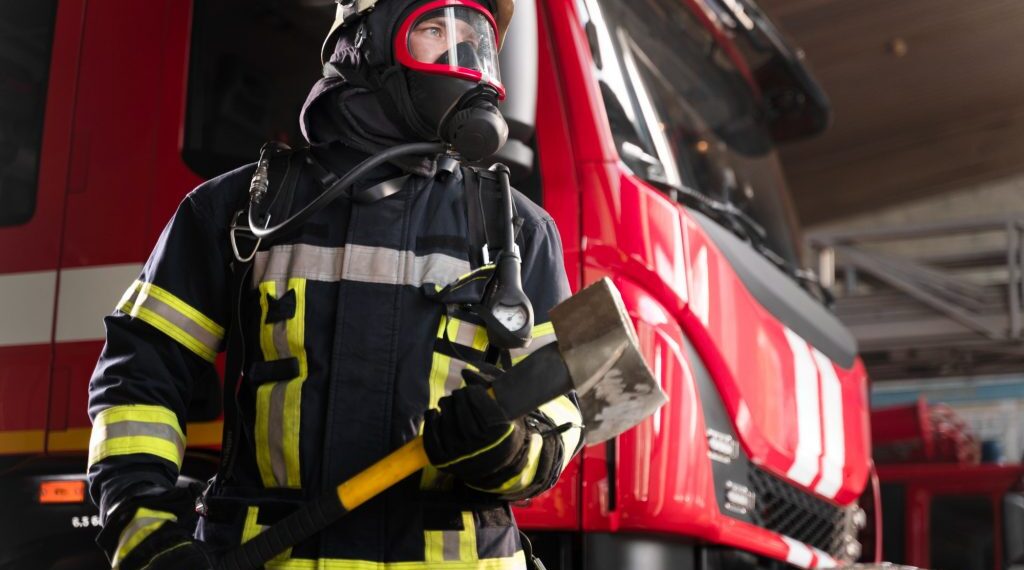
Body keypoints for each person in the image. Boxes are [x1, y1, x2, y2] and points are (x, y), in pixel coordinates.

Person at [85, 0, 583, 568]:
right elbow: (140, 382)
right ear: (364, 43)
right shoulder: (237, 211)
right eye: (435, 28)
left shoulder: (517, 232)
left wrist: (510, 446)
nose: (463, 52)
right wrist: (145, 535)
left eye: (477, 39)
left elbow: (564, 413)